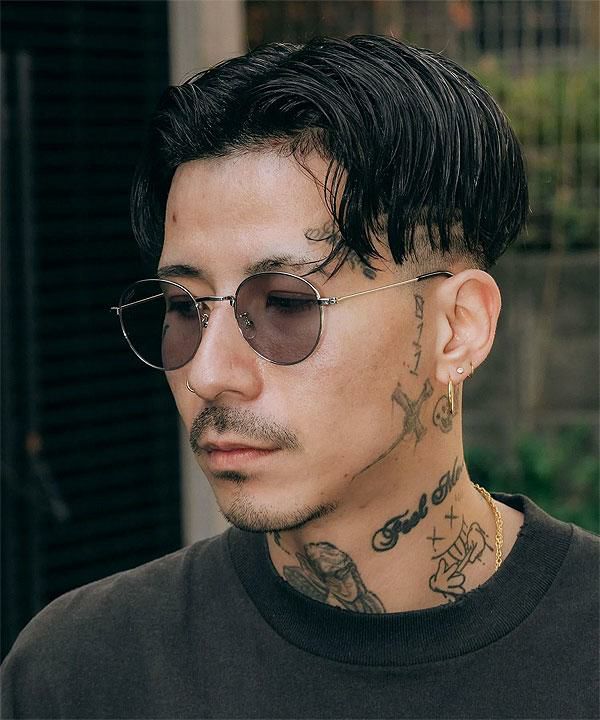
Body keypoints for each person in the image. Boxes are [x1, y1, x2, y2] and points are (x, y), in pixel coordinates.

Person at [2, 35, 598, 720]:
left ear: (456, 328)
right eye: (183, 307)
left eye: (285, 305)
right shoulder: (84, 673)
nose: (208, 372)